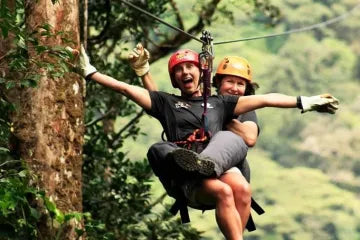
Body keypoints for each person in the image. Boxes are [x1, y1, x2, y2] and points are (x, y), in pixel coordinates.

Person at [77, 44, 339, 240]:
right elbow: (126, 89)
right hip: (189, 179)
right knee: (210, 182)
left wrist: (304, 102)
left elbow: (266, 99)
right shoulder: (166, 102)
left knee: (240, 187)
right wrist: (91, 73)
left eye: (189, 66)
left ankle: (207, 166)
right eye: (179, 70)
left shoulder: (220, 103)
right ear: (175, 79)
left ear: (200, 72)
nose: (184, 72)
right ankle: (195, 165)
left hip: (217, 167)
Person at [129, 44, 261, 232]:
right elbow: (162, 104)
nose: (234, 88)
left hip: (230, 172)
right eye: (229, 82)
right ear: (217, 83)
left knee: (238, 190)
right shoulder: (208, 103)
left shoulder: (240, 110)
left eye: (240, 84)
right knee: (221, 190)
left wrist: (215, 116)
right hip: (199, 176)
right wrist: (144, 73)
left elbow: (249, 137)